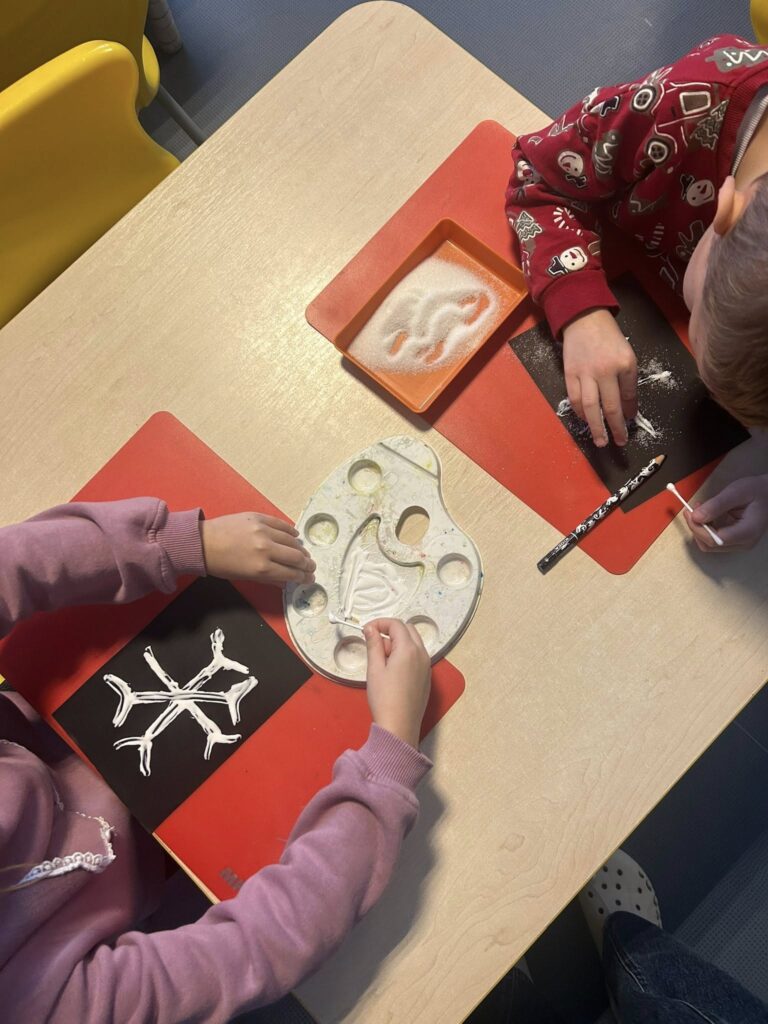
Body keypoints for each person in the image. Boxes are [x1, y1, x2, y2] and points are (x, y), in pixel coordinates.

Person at [0, 498, 433, 1022]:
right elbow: (264, 944)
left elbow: (15, 560)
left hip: (58, 716)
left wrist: (180, 543)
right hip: (162, 882)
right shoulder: (45, 1005)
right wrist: (390, 757)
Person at [505, 34, 768, 552]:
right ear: (724, 211)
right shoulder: (682, 104)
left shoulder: (737, 225)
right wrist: (579, 307)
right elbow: (535, 173)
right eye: (700, 312)